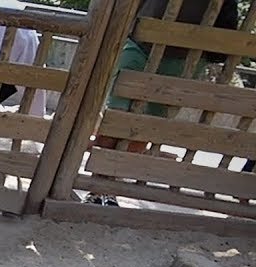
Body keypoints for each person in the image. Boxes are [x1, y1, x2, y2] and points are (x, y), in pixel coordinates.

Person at [84, 0, 239, 206]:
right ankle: (98, 188)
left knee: (148, 126)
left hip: (184, 56)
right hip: (142, 42)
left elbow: (228, 26)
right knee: (117, 117)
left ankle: (110, 185)